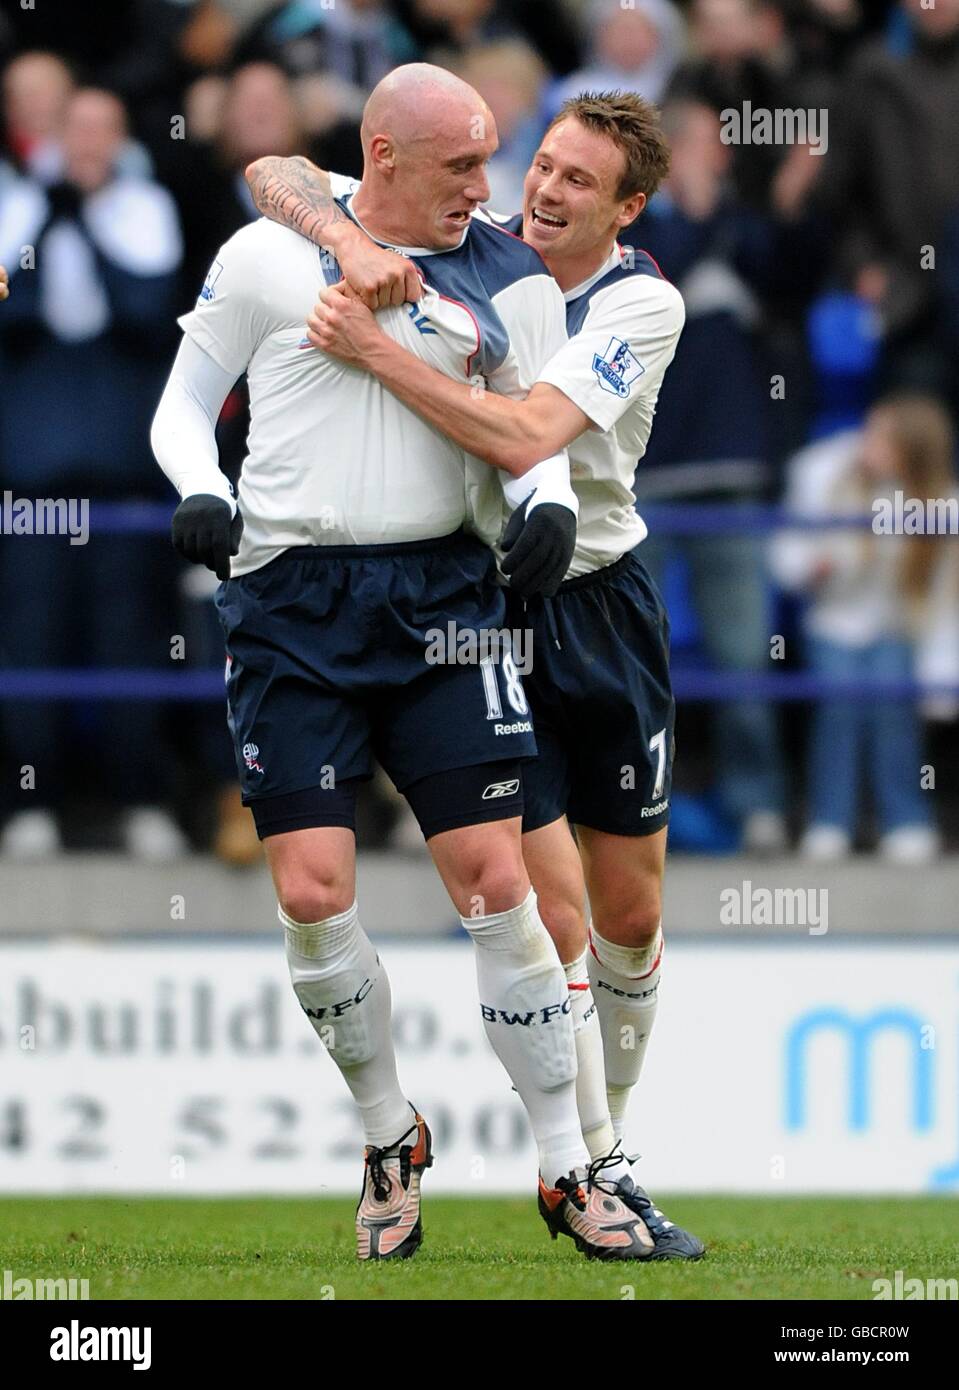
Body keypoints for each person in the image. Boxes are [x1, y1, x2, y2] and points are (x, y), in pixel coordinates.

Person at [152, 64, 654, 1263]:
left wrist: (537, 503)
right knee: (313, 891)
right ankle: (388, 1135)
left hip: (441, 596)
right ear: (382, 160)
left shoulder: (510, 276)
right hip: (287, 603)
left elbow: (525, 424)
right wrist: (200, 489)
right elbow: (182, 403)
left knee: (496, 881)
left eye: (495, 162)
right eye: (463, 168)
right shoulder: (270, 254)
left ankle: (564, 1165)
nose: (492, 192)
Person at [771, 394, 959, 864]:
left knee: (893, 712)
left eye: (881, 437)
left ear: (910, 451)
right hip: (832, 621)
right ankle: (828, 823)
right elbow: (786, 560)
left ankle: (907, 822)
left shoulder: (941, 502)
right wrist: (817, 566)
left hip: (896, 627)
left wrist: (940, 673)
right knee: (840, 709)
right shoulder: (823, 472)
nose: (865, 444)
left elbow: (940, 599)